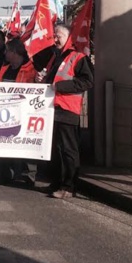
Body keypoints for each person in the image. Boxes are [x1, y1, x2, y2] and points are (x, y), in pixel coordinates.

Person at [36, 24, 93, 199]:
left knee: (69, 150)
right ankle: (57, 182)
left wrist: (60, 86)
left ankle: (68, 187)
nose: (55, 39)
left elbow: (87, 82)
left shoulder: (78, 57)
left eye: (58, 35)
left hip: (68, 108)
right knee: (56, 149)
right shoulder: (56, 57)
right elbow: (52, 79)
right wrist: (41, 79)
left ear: (68, 37)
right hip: (54, 108)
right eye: (54, 36)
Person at [0, 38, 38, 187]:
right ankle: (8, 173)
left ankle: (29, 175)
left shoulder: (31, 69)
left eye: (7, 50)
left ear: (14, 52)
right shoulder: (4, 69)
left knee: (28, 144)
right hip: (6, 113)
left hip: (26, 112)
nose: (5, 53)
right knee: (6, 142)